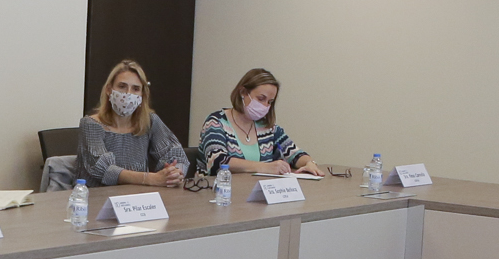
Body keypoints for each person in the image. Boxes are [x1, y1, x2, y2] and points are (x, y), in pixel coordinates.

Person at [78, 60, 187, 190]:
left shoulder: (150, 121)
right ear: (109, 89)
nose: (128, 94)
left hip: (138, 196)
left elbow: (176, 153)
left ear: (142, 95)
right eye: (122, 86)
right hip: (98, 196)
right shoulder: (91, 124)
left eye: (136, 89)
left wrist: (174, 173)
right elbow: (103, 169)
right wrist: (150, 178)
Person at [194, 68, 322, 179]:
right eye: (261, 98)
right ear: (243, 92)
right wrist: (265, 167)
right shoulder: (216, 122)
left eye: (270, 102)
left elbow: (295, 154)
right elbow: (217, 162)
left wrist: (309, 163)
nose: (265, 105)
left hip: (256, 194)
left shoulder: (268, 128)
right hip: (216, 193)